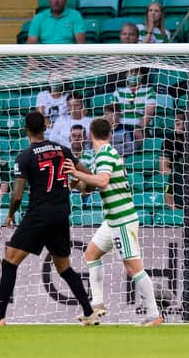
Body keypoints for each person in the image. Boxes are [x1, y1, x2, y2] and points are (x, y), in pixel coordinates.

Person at [0, 112, 100, 326]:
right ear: (45, 127)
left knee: (9, 262)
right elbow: (89, 179)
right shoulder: (62, 150)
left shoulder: (25, 156)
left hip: (38, 214)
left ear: (26, 130)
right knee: (64, 267)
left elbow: (17, 194)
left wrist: (10, 214)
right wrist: (77, 185)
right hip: (61, 214)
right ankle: (89, 313)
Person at [63, 118, 163, 327]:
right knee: (91, 252)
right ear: (109, 134)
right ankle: (97, 304)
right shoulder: (102, 155)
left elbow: (102, 181)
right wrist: (76, 183)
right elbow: (92, 187)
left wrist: (77, 172)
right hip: (112, 219)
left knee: (133, 266)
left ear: (90, 135)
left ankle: (154, 313)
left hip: (122, 219)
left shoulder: (106, 154)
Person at [111, 67, 156, 150]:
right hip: (121, 127)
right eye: (130, 71)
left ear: (142, 75)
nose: (133, 74)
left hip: (139, 128)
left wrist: (139, 128)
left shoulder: (149, 91)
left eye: (136, 71)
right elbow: (112, 113)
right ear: (126, 74)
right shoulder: (118, 92)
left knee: (136, 133)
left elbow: (149, 113)